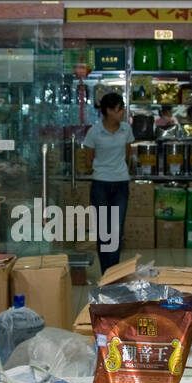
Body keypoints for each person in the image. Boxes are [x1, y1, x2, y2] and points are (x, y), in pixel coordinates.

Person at [80, 92, 134, 274]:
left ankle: (114, 272)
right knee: (104, 231)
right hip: (100, 185)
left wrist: (116, 168)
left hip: (121, 184)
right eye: (120, 109)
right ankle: (106, 271)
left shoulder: (126, 129)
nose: (123, 112)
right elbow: (88, 161)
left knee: (116, 231)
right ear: (109, 111)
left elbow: (127, 156)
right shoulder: (94, 132)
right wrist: (103, 167)